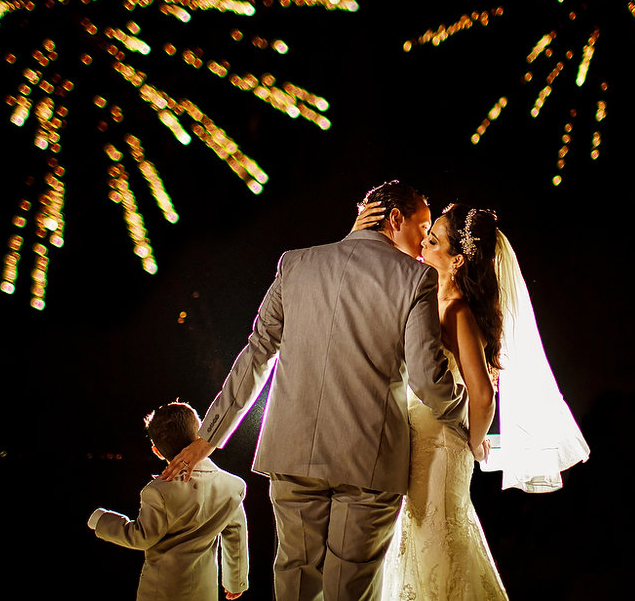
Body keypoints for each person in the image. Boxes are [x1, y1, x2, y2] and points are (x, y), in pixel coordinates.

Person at [163, 180, 469, 601]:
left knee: (295, 583)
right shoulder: (417, 279)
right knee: (351, 591)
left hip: (292, 452)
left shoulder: (296, 264)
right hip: (369, 459)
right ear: (395, 218)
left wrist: (210, 437)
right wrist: (466, 416)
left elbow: (257, 354)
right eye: (422, 226)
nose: (423, 241)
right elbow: (428, 381)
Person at [354, 202, 591, 600]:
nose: (422, 247)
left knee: (439, 545)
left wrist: (470, 438)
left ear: (457, 258)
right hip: (420, 453)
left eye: (433, 241)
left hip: (443, 453)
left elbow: (483, 395)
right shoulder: (432, 303)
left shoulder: (458, 310)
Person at [88, 401, 250, 601]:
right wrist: (236, 581)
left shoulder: (157, 491)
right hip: (205, 592)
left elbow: (141, 537)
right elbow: (235, 535)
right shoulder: (232, 486)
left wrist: (100, 520)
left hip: (161, 592)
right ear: (200, 435)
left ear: (156, 451)